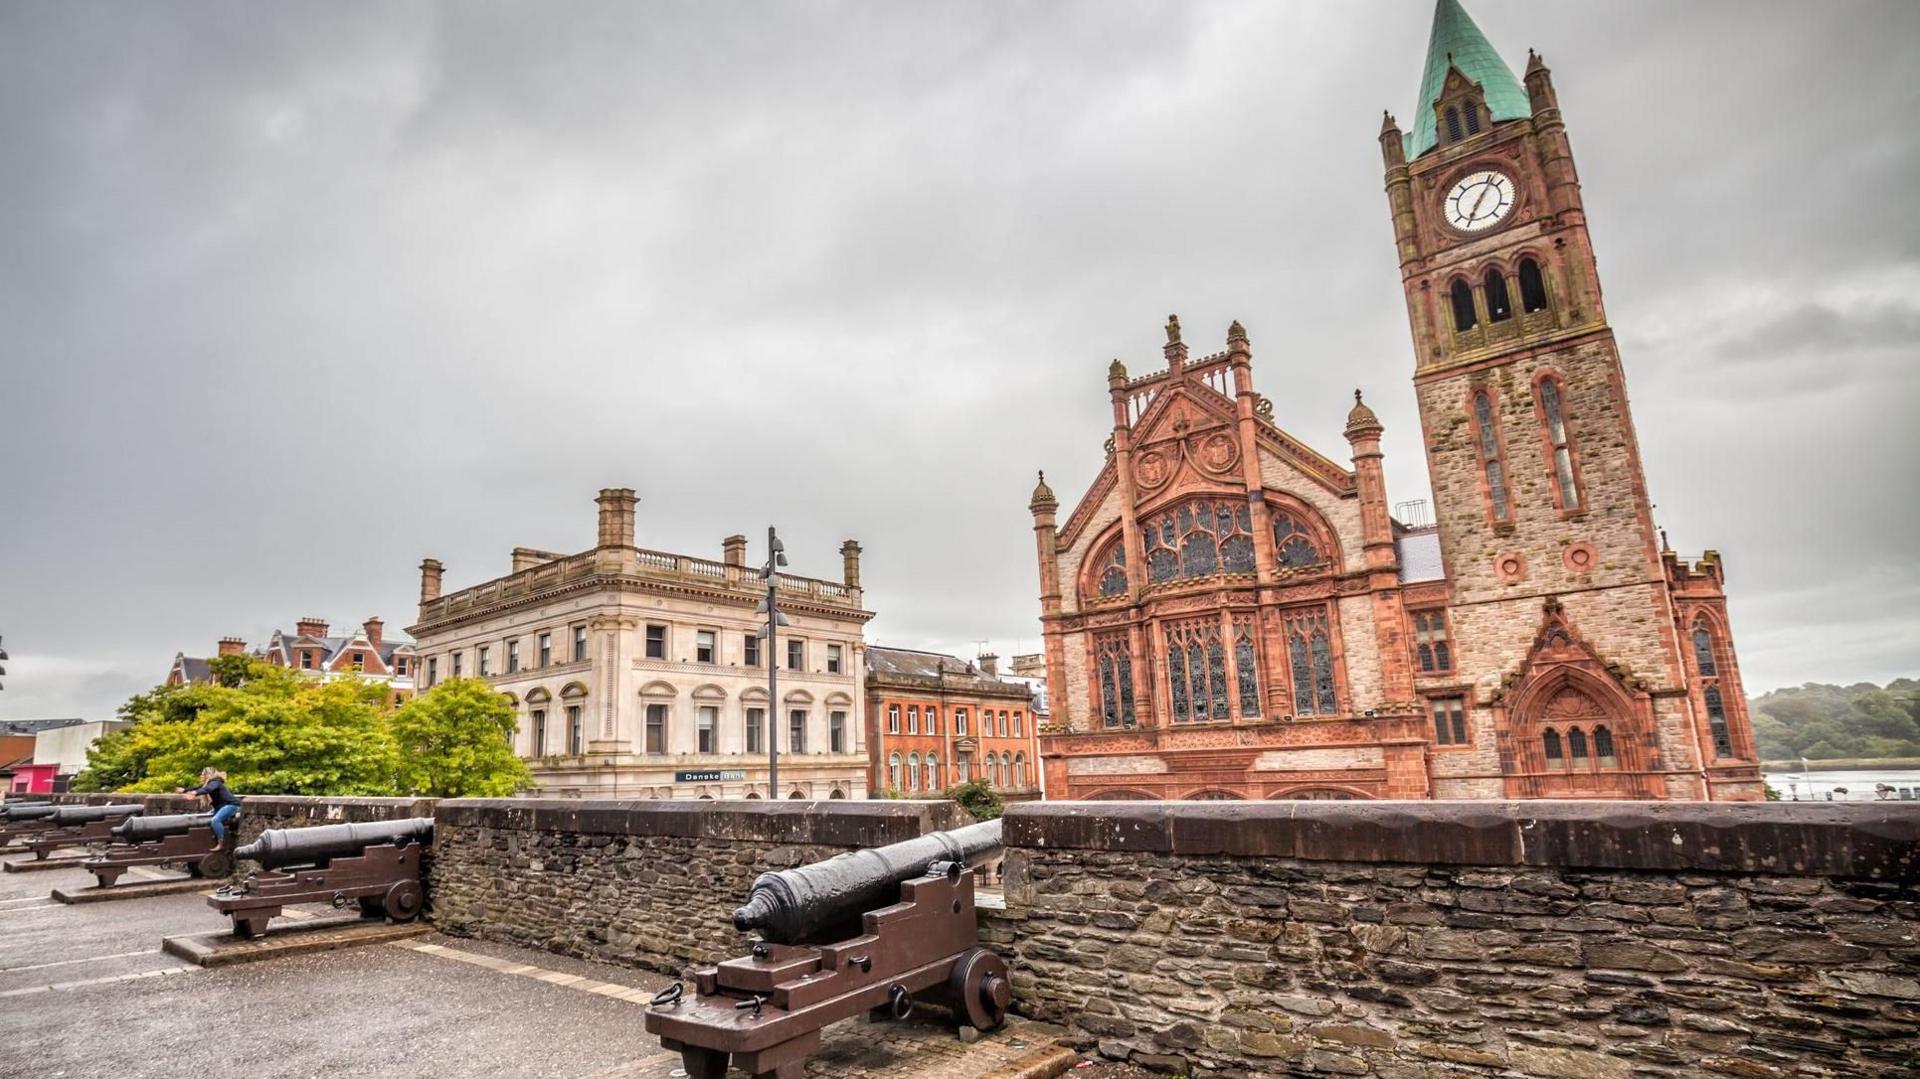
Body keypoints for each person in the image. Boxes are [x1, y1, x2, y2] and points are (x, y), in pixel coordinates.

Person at [178, 767, 240, 851]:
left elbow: (208, 789)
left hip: (231, 805)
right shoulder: (210, 783)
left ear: (208, 775)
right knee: (207, 817)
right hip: (221, 807)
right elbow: (198, 788)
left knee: (216, 820)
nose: (201, 776)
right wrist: (184, 790)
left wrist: (195, 793)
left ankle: (221, 843)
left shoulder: (215, 782)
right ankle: (213, 836)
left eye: (202, 774)